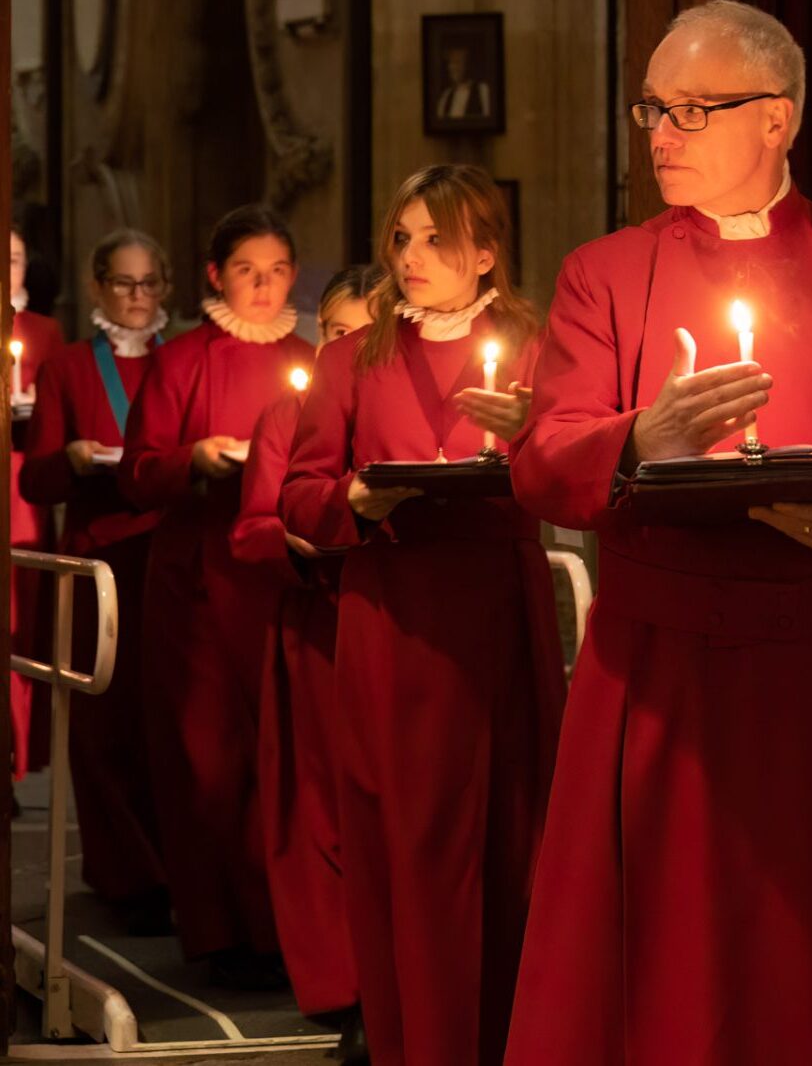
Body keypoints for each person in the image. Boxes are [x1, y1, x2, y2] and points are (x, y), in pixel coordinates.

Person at [503, 0, 812, 1066]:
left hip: (810, 660)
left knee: (794, 954)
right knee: (636, 962)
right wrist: (640, 436)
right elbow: (537, 459)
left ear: (776, 118)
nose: (661, 133)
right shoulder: (606, 272)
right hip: (652, 661)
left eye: (691, 108)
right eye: (651, 109)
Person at [280, 164, 565, 1066]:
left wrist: (529, 434)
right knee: (401, 843)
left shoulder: (533, 343)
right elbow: (298, 496)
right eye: (400, 238)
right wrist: (353, 504)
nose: (411, 256)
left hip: (489, 617)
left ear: (486, 252)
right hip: (390, 619)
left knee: (502, 833)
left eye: (435, 238)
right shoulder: (349, 356)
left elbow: (578, 472)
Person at [118, 205, 313, 988]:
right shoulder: (182, 361)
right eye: (245, 272)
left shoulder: (315, 357)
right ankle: (220, 930)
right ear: (214, 276)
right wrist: (194, 458)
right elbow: (138, 471)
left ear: (295, 276)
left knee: (283, 761)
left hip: (279, 581)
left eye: (275, 272)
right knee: (205, 761)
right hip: (196, 583)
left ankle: (287, 928)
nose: (262, 288)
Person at [231, 265, 379, 1057]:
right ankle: (344, 986)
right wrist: (292, 541)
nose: (343, 348)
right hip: (315, 625)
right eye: (333, 333)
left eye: (360, 332)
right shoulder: (288, 411)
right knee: (320, 811)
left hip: (390, 624)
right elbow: (251, 525)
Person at [20, 229, 172, 933]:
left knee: (166, 725)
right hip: (99, 562)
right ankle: (125, 876)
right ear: (96, 287)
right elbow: (36, 475)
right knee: (103, 727)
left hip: (168, 556)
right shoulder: (71, 368)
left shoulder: (183, 361)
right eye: (123, 284)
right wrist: (76, 457)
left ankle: (175, 870)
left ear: (166, 287)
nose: (136, 299)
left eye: (148, 284)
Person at [9, 226, 64, 781]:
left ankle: (16, 757)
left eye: (17, 258)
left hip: (21, 482)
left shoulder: (45, 330)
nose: (9, 267)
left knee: (23, 620)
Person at [436, 45, 491, 119]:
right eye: (450, 63)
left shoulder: (483, 91)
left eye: (457, 62)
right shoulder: (446, 96)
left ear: (467, 63)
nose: (452, 67)